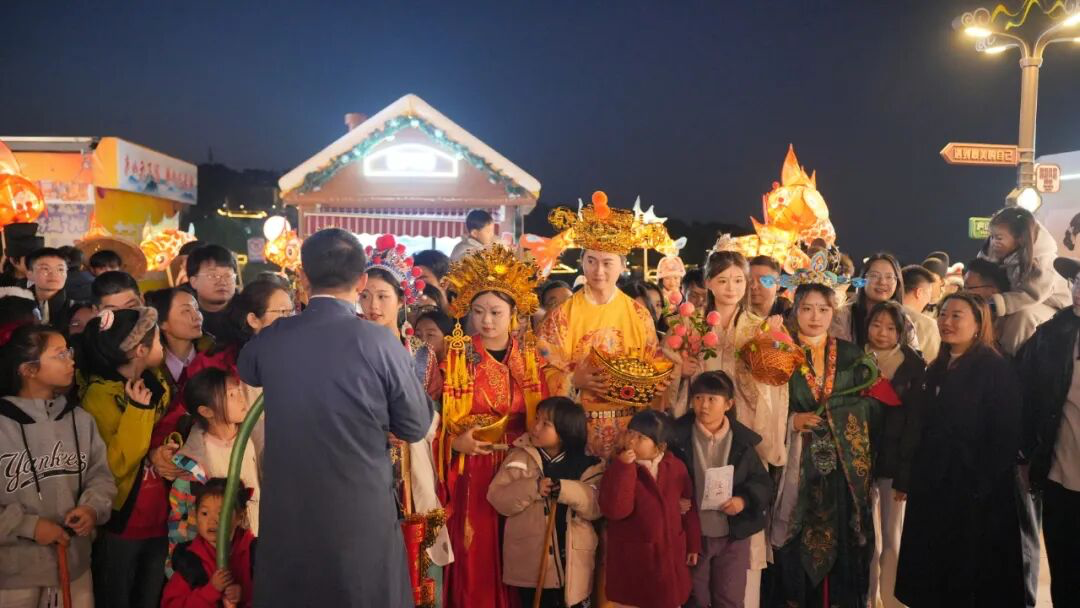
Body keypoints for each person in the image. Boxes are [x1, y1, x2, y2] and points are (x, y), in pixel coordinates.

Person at [237, 228, 431, 607]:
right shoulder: (381, 343)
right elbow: (414, 425)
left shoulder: (274, 338)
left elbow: (248, 370)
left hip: (289, 514)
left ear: (303, 279)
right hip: (361, 513)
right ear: (361, 282)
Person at [669, 250, 789, 608]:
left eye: (739, 280)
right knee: (695, 530)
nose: (732, 287)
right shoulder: (690, 328)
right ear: (707, 283)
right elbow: (671, 387)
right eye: (722, 280)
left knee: (743, 538)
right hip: (699, 439)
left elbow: (776, 387)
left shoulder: (762, 329)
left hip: (744, 437)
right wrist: (682, 373)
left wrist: (759, 374)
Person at [895, 292, 1024, 606]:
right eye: (943, 314)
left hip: (973, 493)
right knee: (933, 573)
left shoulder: (994, 368)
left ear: (979, 324)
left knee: (968, 575)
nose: (946, 322)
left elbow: (1005, 434)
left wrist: (979, 484)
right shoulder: (938, 365)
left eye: (957, 316)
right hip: (935, 486)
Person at [439, 244, 548, 608]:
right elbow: (435, 419)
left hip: (520, 463)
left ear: (515, 314)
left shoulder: (529, 357)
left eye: (496, 312)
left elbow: (545, 415)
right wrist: (455, 444)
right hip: (475, 465)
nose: (486, 321)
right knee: (477, 548)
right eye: (479, 311)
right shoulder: (457, 355)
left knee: (519, 547)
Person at [770, 281, 883, 608]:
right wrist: (793, 421)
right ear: (794, 311)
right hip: (797, 457)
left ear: (833, 312)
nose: (815, 317)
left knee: (842, 529)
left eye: (823, 309)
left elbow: (871, 405)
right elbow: (767, 406)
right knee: (794, 525)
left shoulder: (850, 354)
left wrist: (839, 414)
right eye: (806, 308)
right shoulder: (780, 352)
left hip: (841, 463)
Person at [535, 192, 672, 458]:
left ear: (622, 266)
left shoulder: (639, 315)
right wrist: (574, 380)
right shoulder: (562, 316)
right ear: (582, 263)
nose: (599, 271)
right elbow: (541, 367)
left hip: (629, 431)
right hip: (577, 427)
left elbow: (655, 370)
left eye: (608, 263)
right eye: (591, 261)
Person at [0, 324, 116, 608]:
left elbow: (100, 477)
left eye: (69, 352)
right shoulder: (3, 424)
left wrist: (91, 508)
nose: (71, 360)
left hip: (75, 568)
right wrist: (29, 526)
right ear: (28, 369)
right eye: (60, 354)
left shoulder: (80, 419)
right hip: (14, 575)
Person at [80, 307, 174, 608]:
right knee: (117, 595)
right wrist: (139, 411)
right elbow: (117, 463)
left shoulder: (156, 382)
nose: (164, 347)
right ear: (141, 350)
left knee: (150, 595)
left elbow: (173, 426)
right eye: (159, 342)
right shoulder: (99, 395)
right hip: (123, 521)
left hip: (161, 519)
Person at [487, 397, 604, 608]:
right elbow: (498, 499)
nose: (535, 427)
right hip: (531, 567)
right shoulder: (519, 457)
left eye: (545, 424)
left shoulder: (588, 465)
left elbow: (595, 506)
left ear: (565, 431)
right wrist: (533, 487)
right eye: (537, 419)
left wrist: (565, 489)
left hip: (574, 566)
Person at [671, 371, 772, 608]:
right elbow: (663, 478)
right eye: (698, 398)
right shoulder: (677, 438)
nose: (703, 406)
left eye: (711, 399)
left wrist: (743, 501)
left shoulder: (742, 442)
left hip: (732, 536)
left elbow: (763, 483)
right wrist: (673, 500)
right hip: (693, 535)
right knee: (694, 598)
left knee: (730, 598)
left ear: (728, 404)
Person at [1014, 256, 1080, 606]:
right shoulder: (1053, 335)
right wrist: (1025, 454)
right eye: (1077, 281)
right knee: (1066, 573)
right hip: (1059, 479)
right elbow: (1028, 399)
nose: (1079, 290)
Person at [599, 410, 701, 608]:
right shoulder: (618, 468)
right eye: (630, 433)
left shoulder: (676, 467)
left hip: (669, 552)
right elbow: (616, 510)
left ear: (659, 446)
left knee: (668, 597)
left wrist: (693, 544)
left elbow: (688, 507)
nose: (631, 440)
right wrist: (625, 469)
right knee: (634, 600)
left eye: (641, 437)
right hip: (634, 558)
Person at [863, 301, 925, 608]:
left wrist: (905, 475)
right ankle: (868, 597)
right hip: (861, 462)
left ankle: (892, 599)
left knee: (891, 536)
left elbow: (915, 423)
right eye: (877, 325)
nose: (882, 333)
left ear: (901, 332)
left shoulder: (913, 365)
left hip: (894, 463)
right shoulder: (854, 359)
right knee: (866, 539)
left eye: (890, 328)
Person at [168, 369, 259, 568]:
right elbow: (181, 518)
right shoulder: (194, 463)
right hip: (213, 562)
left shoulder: (251, 439)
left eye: (238, 391)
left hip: (251, 549)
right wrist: (185, 565)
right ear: (206, 411)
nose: (241, 398)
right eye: (231, 395)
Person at [977, 206, 1071, 354]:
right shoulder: (998, 251)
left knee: (1022, 316)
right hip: (1020, 301)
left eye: (999, 238)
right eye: (992, 236)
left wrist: (997, 304)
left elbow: (1031, 295)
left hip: (1056, 309)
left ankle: (1008, 357)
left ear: (1020, 239)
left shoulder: (1044, 262)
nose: (994, 241)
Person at [161, 479, 254, 608]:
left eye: (221, 514)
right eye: (204, 513)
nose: (212, 521)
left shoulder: (254, 551)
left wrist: (244, 594)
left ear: (240, 517)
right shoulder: (191, 561)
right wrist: (210, 591)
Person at [831, 252, 917, 350]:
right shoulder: (843, 317)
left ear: (897, 282)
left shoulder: (906, 322)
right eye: (874, 276)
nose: (882, 282)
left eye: (889, 277)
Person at [145, 289, 205, 385]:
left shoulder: (215, 355)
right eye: (186, 311)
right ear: (161, 323)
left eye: (197, 309)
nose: (197, 317)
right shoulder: (151, 370)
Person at [186, 245, 239, 341]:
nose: (222, 282)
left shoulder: (249, 311)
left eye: (228, 275)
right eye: (213, 276)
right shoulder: (182, 315)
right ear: (194, 282)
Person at [900, 265, 941, 362]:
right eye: (929, 294)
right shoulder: (928, 325)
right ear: (919, 292)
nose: (928, 300)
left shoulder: (880, 314)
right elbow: (932, 362)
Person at [25, 248, 70, 331]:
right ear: (29, 274)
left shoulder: (74, 307)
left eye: (60, 269)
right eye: (45, 268)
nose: (54, 274)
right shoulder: (17, 303)